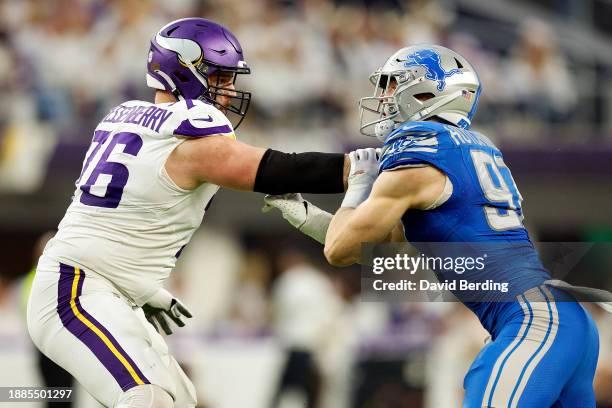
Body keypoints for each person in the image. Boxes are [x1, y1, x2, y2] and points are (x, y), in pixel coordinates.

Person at [26, 17, 365, 408]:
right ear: (182, 72)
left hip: (106, 288)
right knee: (147, 400)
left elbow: (122, 215)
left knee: (181, 401)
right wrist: (355, 166)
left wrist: (138, 284)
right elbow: (276, 168)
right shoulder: (191, 137)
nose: (230, 89)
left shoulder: (126, 116)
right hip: (76, 289)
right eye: (220, 77)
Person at [264, 45, 600, 407]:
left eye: (394, 85)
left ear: (428, 93)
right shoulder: (471, 147)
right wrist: (302, 213)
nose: (384, 97)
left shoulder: (419, 157)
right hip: (558, 318)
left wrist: (360, 184)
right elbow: (381, 248)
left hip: (532, 323)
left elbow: (339, 250)